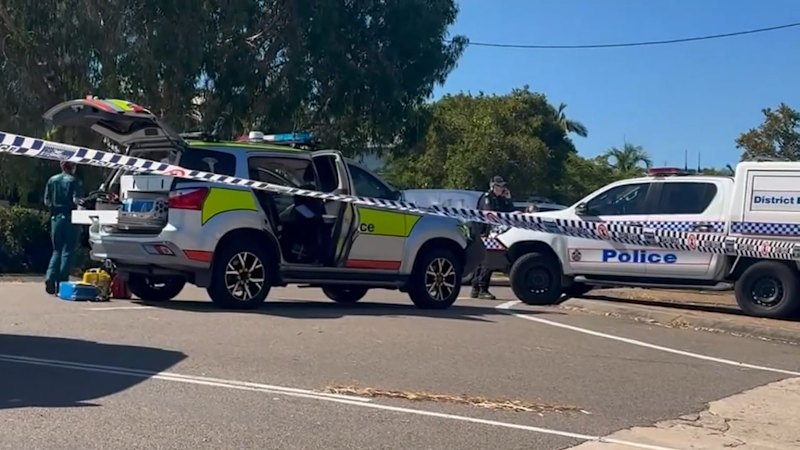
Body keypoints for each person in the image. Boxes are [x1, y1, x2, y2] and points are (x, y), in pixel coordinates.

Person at [471, 175, 515, 300]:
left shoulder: (500, 199)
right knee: (488, 261)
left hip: (493, 233)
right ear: (493, 186)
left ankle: (476, 288)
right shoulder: (487, 198)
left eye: (503, 186)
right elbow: (489, 213)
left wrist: (508, 200)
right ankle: (482, 289)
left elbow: (509, 211)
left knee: (483, 261)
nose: (502, 189)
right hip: (484, 233)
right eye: (499, 186)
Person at [43, 161, 84, 294]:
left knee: (57, 250)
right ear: (72, 167)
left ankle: (50, 276)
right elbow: (76, 200)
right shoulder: (74, 181)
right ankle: (62, 282)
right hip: (70, 217)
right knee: (67, 251)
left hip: (55, 218)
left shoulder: (52, 180)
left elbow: (47, 201)